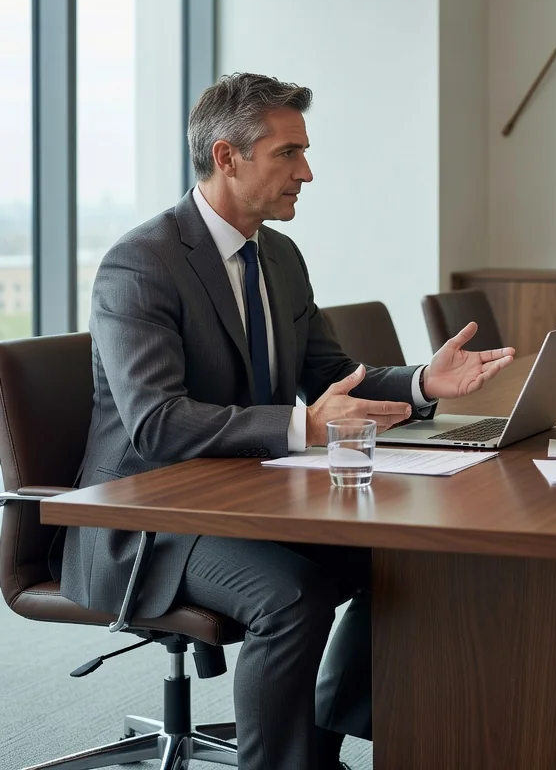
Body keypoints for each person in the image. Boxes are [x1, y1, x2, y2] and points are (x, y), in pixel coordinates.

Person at [55, 72, 514, 770]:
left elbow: (332, 379)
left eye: (305, 152)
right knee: (290, 596)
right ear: (226, 156)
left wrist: (424, 381)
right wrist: (304, 429)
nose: (308, 171)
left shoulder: (280, 257)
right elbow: (157, 424)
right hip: (146, 519)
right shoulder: (140, 264)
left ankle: (316, 752)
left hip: (246, 500)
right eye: (288, 154)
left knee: (409, 561)